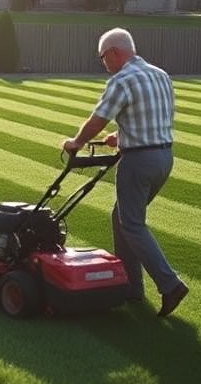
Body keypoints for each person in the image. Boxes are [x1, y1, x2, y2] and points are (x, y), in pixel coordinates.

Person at [60, 27, 188, 317]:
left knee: (131, 224)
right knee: (122, 218)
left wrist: (75, 143)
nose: (103, 64)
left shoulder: (122, 80)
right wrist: (121, 135)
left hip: (138, 161)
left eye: (103, 57)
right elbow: (155, 116)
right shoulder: (160, 75)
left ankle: (170, 284)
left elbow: (97, 119)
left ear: (115, 53)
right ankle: (131, 287)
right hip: (164, 158)